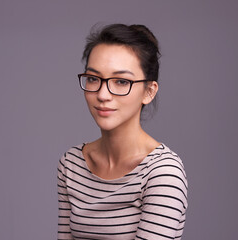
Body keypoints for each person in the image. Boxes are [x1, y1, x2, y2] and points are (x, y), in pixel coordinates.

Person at [57, 23, 188, 240]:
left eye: (120, 81)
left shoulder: (162, 172)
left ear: (149, 91)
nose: (103, 94)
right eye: (93, 78)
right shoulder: (71, 165)